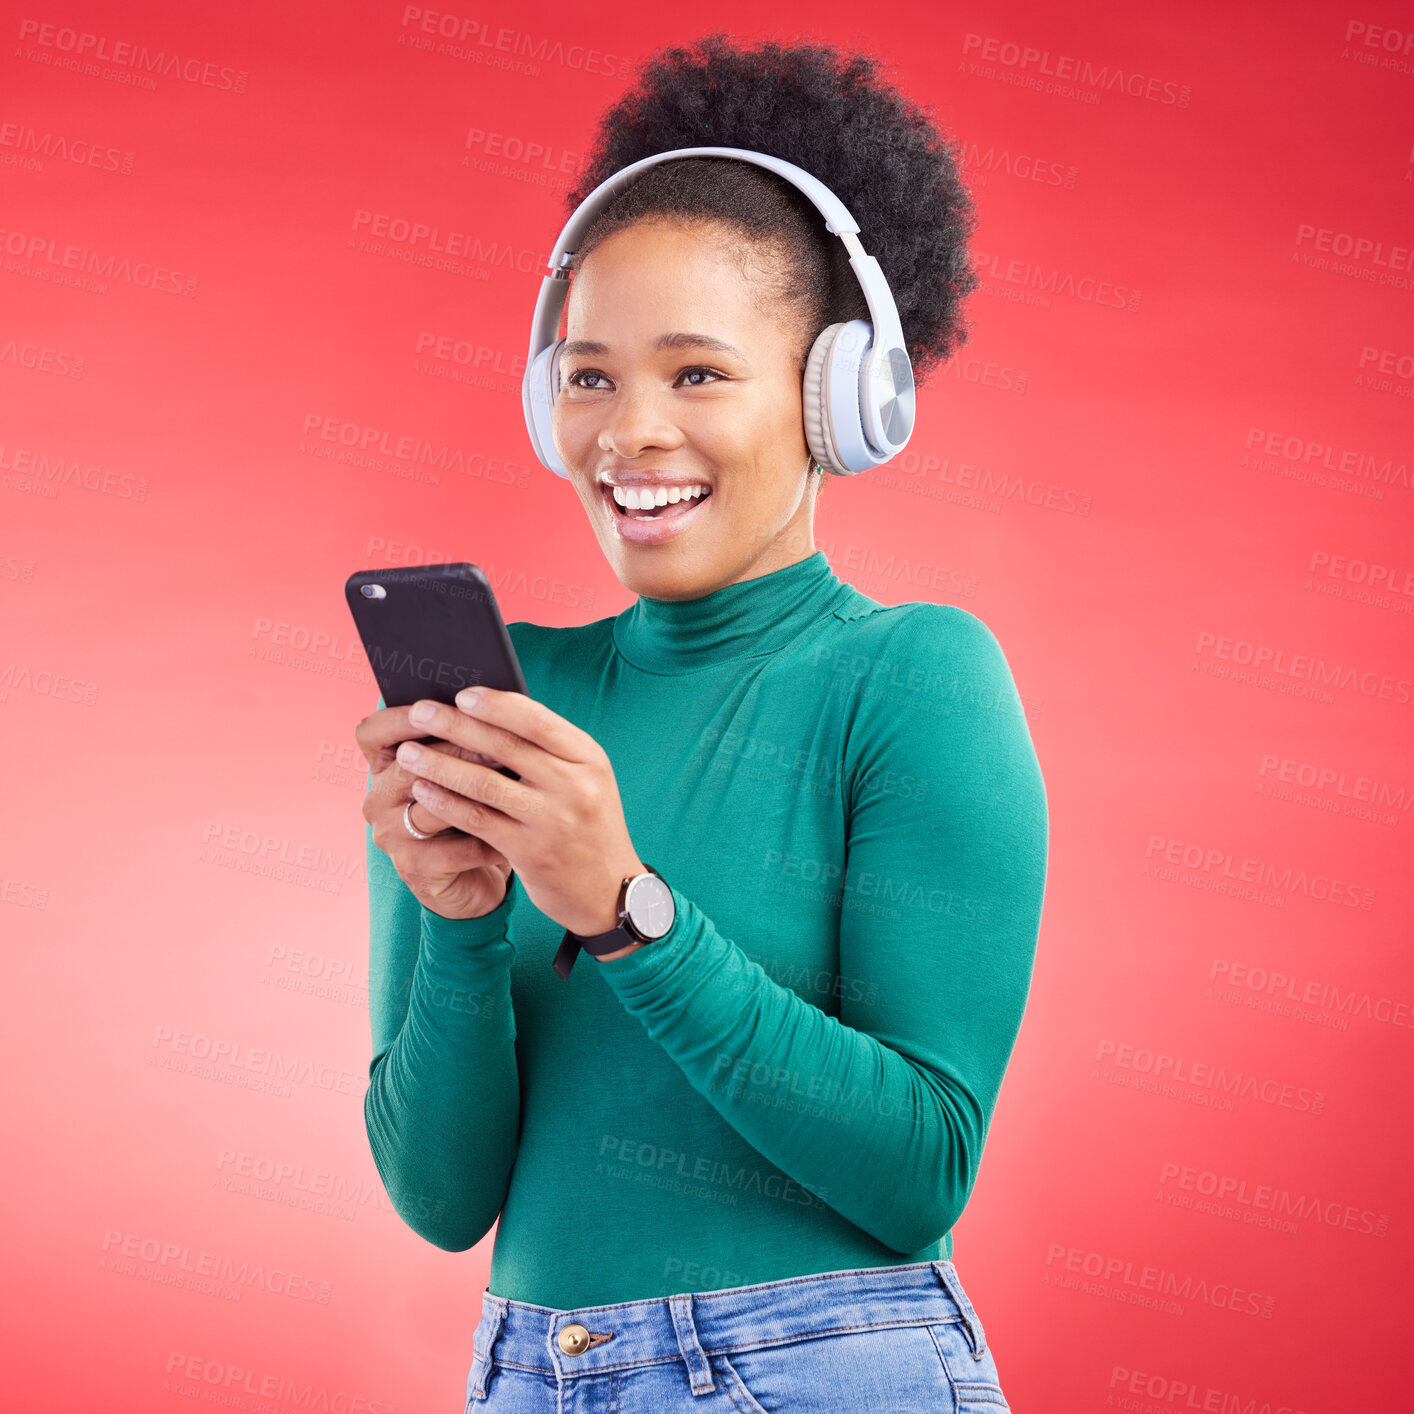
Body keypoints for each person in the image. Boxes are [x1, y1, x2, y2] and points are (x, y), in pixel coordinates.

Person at [355, 32, 1046, 1413]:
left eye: (698, 374)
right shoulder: (512, 712)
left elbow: (918, 1172)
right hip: (528, 1372)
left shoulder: (914, 676)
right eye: (591, 375)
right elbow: (442, 1199)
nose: (628, 433)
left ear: (839, 395)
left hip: (826, 1362)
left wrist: (621, 904)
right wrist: (458, 911)